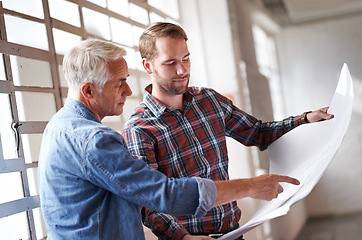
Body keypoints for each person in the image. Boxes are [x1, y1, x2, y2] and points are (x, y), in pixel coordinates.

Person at [37, 39, 299, 240]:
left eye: (185, 59)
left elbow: (258, 131)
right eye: (120, 83)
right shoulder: (95, 140)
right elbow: (163, 194)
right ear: (89, 90)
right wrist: (251, 186)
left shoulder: (59, 127)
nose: (129, 91)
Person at [121, 22, 334, 240]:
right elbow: (147, 201)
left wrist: (305, 119)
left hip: (233, 233)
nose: (182, 70)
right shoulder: (139, 128)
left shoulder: (209, 100)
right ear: (148, 66)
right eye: (170, 63)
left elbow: (258, 133)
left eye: (186, 58)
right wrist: (182, 238)